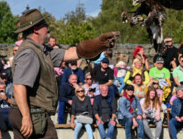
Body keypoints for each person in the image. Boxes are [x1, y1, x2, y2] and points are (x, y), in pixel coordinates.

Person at [9, 8, 118, 138]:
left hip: (34, 113)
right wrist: (26, 116)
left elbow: (71, 53)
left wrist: (99, 44)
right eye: (44, 24)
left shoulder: (43, 51)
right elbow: (19, 86)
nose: (47, 27)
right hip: (30, 113)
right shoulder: (29, 53)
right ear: (35, 29)